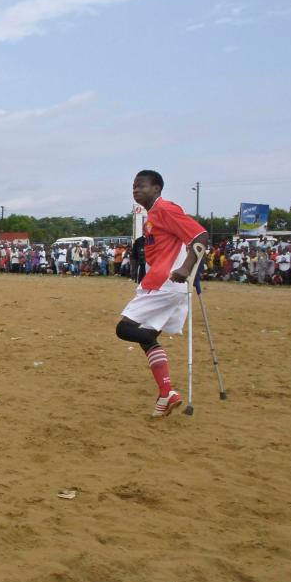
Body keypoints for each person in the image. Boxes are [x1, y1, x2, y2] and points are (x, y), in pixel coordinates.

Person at [115, 170, 208, 418]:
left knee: (124, 329)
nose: (135, 190)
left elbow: (200, 236)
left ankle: (168, 392)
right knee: (147, 338)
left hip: (164, 284)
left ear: (156, 188)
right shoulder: (152, 215)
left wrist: (187, 267)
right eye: (133, 186)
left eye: (141, 186)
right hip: (160, 283)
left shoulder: (165, 209)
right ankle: (166, 393)